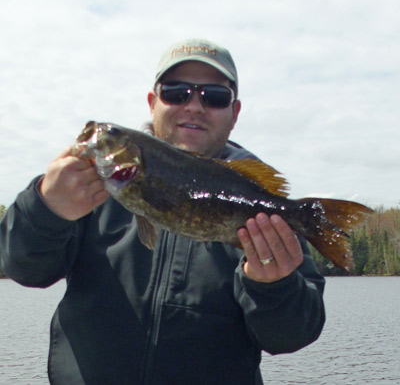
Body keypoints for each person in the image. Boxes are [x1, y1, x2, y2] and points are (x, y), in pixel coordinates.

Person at [0, 39, 325, 385]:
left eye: (214, 97)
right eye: (176, 92)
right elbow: (23, 268)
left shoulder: (259, 203)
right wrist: (46, 208)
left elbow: (292, 335)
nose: (194, 106)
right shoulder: (85, 185)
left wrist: (273, 287)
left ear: (235, 113)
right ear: (153, 103)